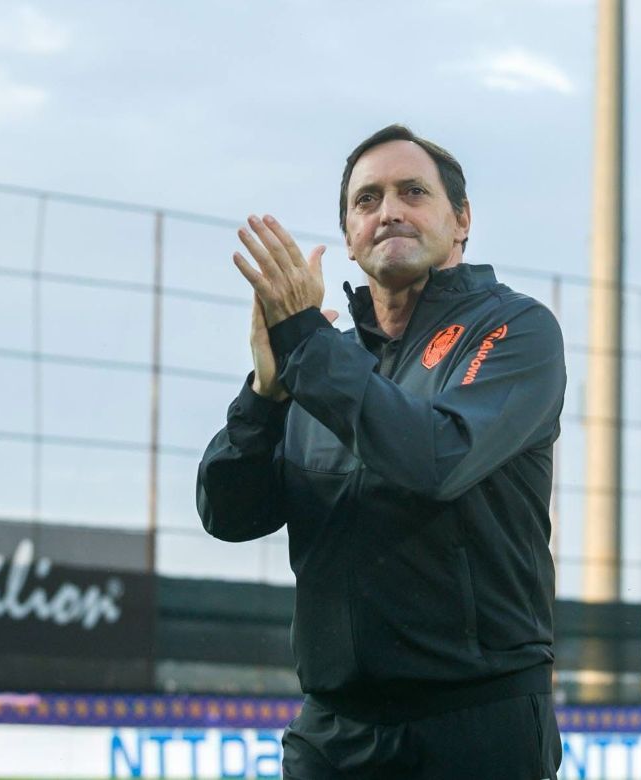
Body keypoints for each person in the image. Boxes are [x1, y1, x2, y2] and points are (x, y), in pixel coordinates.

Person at [197, 124, 566, 779]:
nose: (388, 210)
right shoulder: (321, 360)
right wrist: (265, 395)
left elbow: (435, 458)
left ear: (461, 220)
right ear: (348, 236)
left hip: (475, 726)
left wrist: (304, 342)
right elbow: (229, 514)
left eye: (412, 192)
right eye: (367, 200)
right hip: (333, 734)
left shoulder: (516, 328)